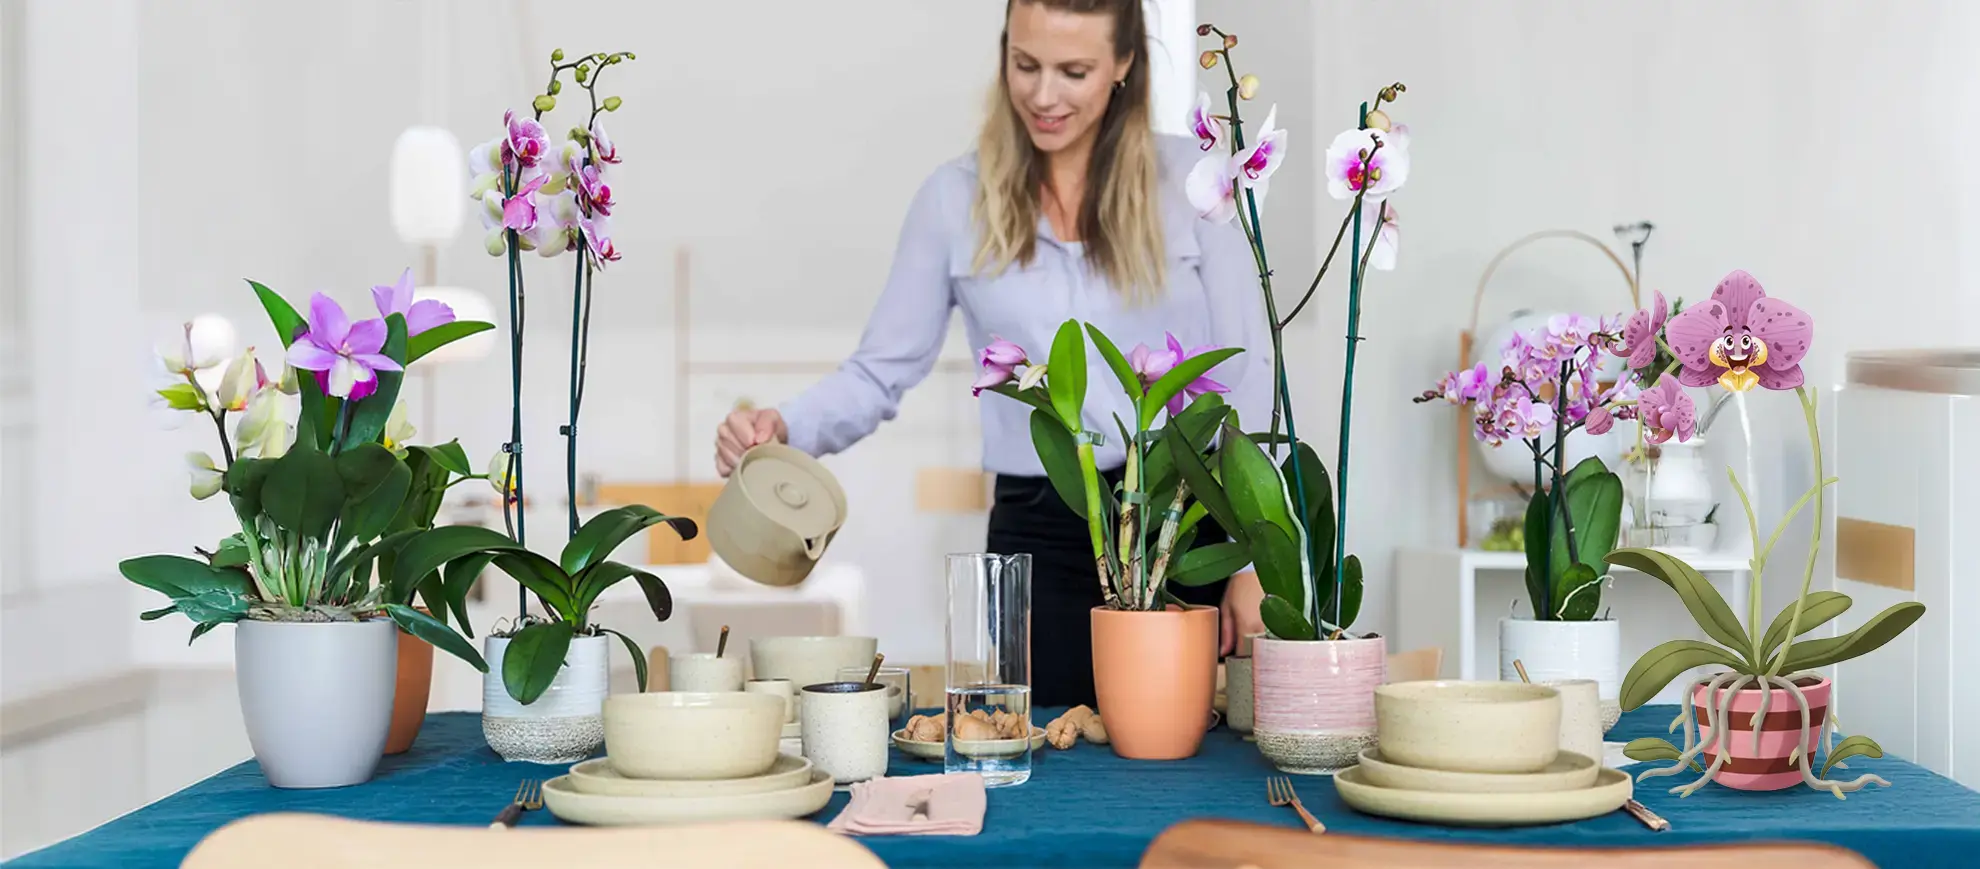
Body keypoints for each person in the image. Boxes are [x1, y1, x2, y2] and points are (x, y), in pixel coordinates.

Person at [714, 0, 1273, 708]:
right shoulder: (953, 201)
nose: (1044, 95)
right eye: (1025, 64)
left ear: (1124, 63)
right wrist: (784, 427)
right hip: (1039, 530)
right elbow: (881, 369)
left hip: (1184, 519)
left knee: (1186, 745)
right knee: (1043, 744)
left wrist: (1254, 554)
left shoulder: (1196, 184)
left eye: (1074, 71)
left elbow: (1248, 371)